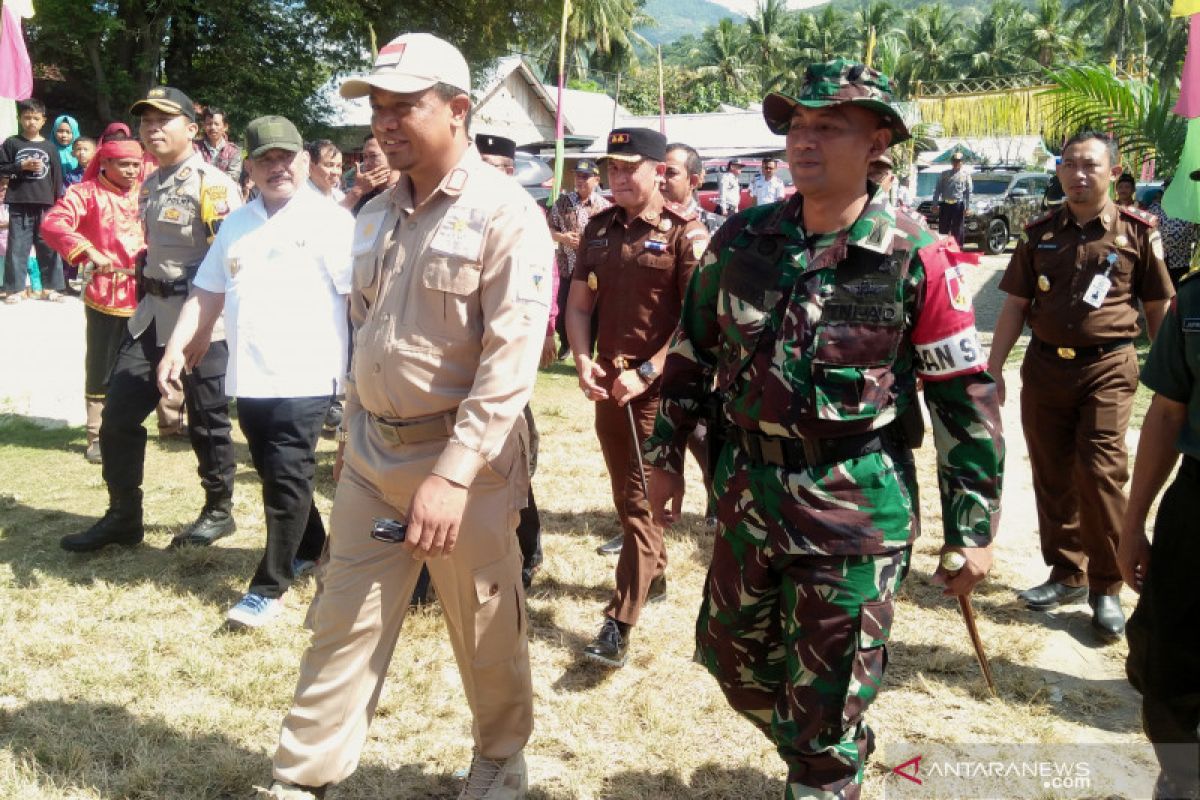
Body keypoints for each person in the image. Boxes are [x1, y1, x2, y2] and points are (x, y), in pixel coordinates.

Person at [644, 59, 1003, 799]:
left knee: (823, 721)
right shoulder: (742, 239)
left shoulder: (917, 255)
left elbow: (963, 399)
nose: (803, 142)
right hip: (748, 494)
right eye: (796, 126)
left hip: (855, 510)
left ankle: (827, 763)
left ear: (878, 141)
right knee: (729, 660)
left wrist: (973, 526)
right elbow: (691, 354)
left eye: (828, 126)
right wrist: (665, 457)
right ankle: (831, 744)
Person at [260, 33, 552, 800]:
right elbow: (369, 335)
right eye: (377, 108)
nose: (385, 123)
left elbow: (510, 362)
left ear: (458, 110)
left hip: (468, 466)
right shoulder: (372, 214)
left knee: (485, 624)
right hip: (371, 457)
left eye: (405, 106)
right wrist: (353, 436)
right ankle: (303, 776)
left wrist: (452, 477)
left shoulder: (507, 214)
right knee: (341, 621)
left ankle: (499, 757)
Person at [159, 115, 352, 628]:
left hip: (308, 374)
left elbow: (361, 304)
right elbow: (207, 291)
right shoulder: (238, 224)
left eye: (286, 157)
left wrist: (358, 383)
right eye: (265, 159)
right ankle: (312, 544)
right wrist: (179, 345)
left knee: (286, 474)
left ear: (305, 162)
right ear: (248, 166)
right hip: (251, 376)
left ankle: (270, 585)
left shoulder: (332, 223)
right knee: (271, 468)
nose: (277, 168)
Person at [988, 131, 1173, 642]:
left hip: (1108, 368)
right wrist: (993, 367)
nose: (1077, 174)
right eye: (1068, 164)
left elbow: (1158, 308)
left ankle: (1106, 585)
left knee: (1099, 471)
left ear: (1114, 172)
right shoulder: (1039, 231)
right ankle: (1066, 572)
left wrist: (1171, 377)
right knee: (1052, 472)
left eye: (1089, 165)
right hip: (1045, 368)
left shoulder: (1138, 231)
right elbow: (1014, 305)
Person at [59, 86, 242, 553]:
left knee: (207, 423)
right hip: (150, 317)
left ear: (192, 129)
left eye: (165, 120)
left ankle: (218, 511)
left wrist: (202, 327)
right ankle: (124, 517)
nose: (153, 129)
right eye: (146, 122)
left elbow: (231, 266)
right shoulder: (152, 181)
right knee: (118, 417)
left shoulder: (214, 185)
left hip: (202, 320)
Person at [565, 127, 709, 667]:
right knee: (626, 497)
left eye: (630, 168)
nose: (618, 178)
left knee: (639, 503)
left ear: (657, 171)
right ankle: (657, 574)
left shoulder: (684, 236)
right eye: (611, 168)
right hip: (609, 384)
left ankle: (617, 623)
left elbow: (699, 324)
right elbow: (579, 305)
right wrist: (582, 357)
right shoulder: (598, 230)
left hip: (659, 392)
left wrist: (647, 370)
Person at [1119, 267, 1200, 800]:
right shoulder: (1194, 302)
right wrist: (1132, 525)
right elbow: (1167, 413)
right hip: (1197, 503)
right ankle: (1182, 777)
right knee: (1165, 658)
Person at [475, 131, 556, 589]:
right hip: (462, 363)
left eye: (501, 166)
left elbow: (548, 281)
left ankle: (529, 548)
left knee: (513, 460)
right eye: (484, 163)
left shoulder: (528, 216)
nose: (493, 173)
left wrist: (546, 330)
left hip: (504, 360)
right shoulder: (462, 211)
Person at [41, 137, 146, 464]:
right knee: (102, 364)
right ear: (105, 163)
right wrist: (88, 250)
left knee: (149, 361)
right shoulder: (83, 194)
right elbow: (52, 223)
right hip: (107, 290)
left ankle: (166, 422)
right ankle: (95, 434)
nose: (131, 171)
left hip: (149, 290)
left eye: (135, 164)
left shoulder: (147, 192)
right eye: (124, 164)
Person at [0, 97, 65, 303]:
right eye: (27, 118)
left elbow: (57, 176)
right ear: (20, 119)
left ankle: (51, 288)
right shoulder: (11, 143)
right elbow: (1, 167)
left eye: (35, 118)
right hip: (19, 201)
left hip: (45, 202)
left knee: (48, 245)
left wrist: (58, 202)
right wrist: (21, 166)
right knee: (17, 246)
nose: (31, 122)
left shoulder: (50, 147)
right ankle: (15, 289)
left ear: (43, 121)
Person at [547, 158, 609, 358]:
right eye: (577, 176)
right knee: (563, 308)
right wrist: (562, 237)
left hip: (593, 271)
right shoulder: (563, 203)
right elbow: (548, 228)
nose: (579, 180)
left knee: (591, 314)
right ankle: (566, 343)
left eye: (585, 176)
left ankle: (586, 353)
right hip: (567, 267)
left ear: (596, 179)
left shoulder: (604, 207)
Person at [1144, 178, 1199, 287]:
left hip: (1181, 261)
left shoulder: (1188, 209)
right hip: (1158, 261)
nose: (1169, 190)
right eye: (1167, 188)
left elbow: (1194, 235)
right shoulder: (1155, 208)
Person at [663, 142, 725, 235]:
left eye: (671, 173)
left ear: (693, 181)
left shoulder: (715, 226)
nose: (661, 179)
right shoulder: (642, 221)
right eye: (658, 171)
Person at [342, 133, 397, 215]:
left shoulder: (411, 191)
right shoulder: (362, 194)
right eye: (365, 157)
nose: (366, 163)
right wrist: (356, 192)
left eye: (373, 156)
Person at [194, 106, 243, 184]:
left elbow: (233, 177)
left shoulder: (233, 151)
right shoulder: (194, 148)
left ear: (225, 127)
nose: (213, 127)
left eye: (216, 124)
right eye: (209, 124)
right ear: (204, 126)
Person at [932, 150, 971, 246]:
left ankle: (957, 248)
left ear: (962, 162)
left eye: (959, 161)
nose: (956, 163)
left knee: (958, 229)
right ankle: (943, 247)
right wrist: (935, 204)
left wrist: (967, 207)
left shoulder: (966, 175)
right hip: (945, 204)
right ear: (951, 162)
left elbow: (968, 193)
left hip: (957, 205)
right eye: (954, 161)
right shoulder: (944, 174)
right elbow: (937, 190)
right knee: (943, 228)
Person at [304, 139, 345, 203]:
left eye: (339, 166)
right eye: (329, 165)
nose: (336, 172)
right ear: (311, 167)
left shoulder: (340, 196)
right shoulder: (301, 197)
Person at [51, 114, 80, 180]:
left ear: (75, 133)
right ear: (54, 132)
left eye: (68, 132)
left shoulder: (82, 150)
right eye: (60, 131)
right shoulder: (48, 150)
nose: (64, 135)